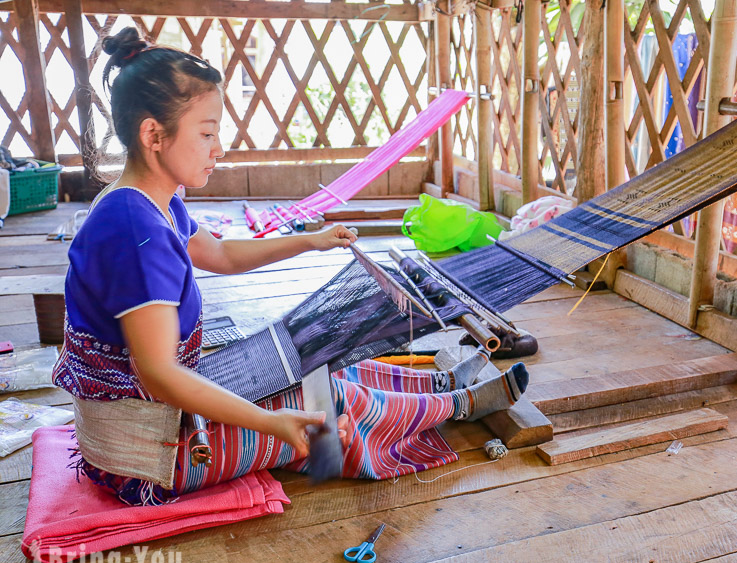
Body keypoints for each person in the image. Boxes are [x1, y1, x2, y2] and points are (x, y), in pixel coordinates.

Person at [52, 27, 529, 507]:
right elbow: (158, 374)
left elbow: (219, 255)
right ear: (154, 134)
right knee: (334, 410)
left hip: (156, 418)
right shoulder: (136, 231)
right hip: (148, 458)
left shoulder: (151, 203)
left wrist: (311, 241)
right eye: (207, 133)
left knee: (326, 371)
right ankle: (459, 405)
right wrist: (270, 422)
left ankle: (442, 383)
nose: (219, 148)